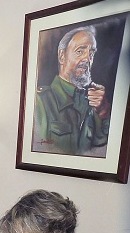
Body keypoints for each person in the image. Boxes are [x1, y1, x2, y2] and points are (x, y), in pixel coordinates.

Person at [33, 25, 111, 156]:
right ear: (62, 56)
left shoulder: (94, 103)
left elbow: (103, 149)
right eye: (80, 51)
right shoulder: (40, 101)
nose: (87, 59)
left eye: (91, 53)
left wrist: (103, 114)